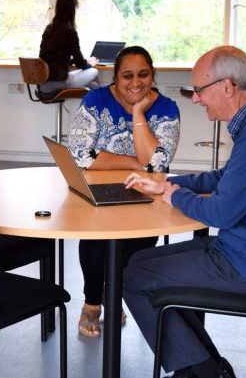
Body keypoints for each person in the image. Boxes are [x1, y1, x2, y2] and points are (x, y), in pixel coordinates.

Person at [122, 46, 246, 378]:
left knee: (133, 277)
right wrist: (167, 181)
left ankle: (203, 371)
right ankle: (205, 364)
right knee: (137, 263)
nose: (195, 99)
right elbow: (224, 178)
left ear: (227, 87)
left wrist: (173, 195)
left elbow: (221, 213)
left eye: (199, 90)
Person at [68, 45, 180, 337]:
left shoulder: (167, 108)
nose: (136, 82)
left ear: (153, 75)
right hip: (99, 189)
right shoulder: (96, 100)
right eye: (127, 75)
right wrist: (137, 162)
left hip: (144, 194)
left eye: (143, 74)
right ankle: (92, 303)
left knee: (137, 246)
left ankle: (113, 295)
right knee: (94, 240)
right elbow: (79, 155)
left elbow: (158, 165)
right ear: (114, 77)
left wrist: (138, 112)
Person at [39, 0, 99, 95]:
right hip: (59, 82)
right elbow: (80, 63)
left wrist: (71, 61)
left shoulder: (49, 29)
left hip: (43, 85)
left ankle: (88, 108)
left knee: (93, 86)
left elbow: (51, 57)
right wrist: (89, 64)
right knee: (94, 71)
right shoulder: (69, 32)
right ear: (72, 11)